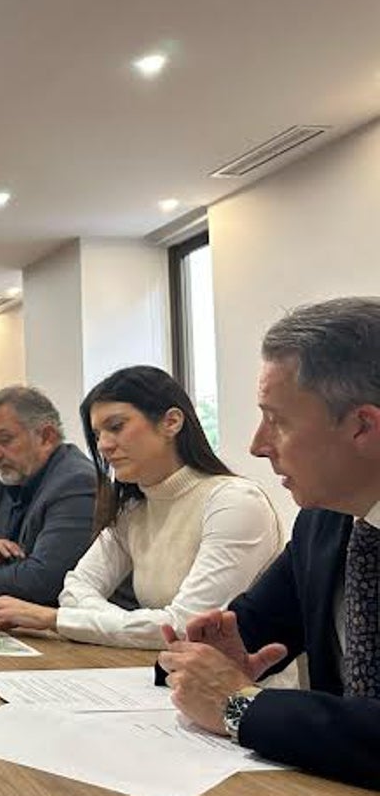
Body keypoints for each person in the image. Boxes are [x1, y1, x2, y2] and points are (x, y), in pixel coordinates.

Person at [160, 298, 380, 789]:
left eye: (276, 420)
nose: (258, 445)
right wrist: (204, 662)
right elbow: (250, 628)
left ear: (362, 426)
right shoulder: (324, 520)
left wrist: (241, 707)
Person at [0, 365, 282, 649]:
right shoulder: (133, 509)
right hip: (163, 675)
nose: (103, 445)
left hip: (245, 696)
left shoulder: (234, 503)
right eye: (97, 434)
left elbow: (187, 626)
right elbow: (75, 589)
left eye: (116, 427)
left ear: (172, 422)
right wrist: (116, 623)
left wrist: (58, 620)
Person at [0, 387, 98, 603]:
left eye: (4, 440)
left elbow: (43, 581)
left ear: (46, 437)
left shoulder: (77, 483)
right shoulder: (2, 482)